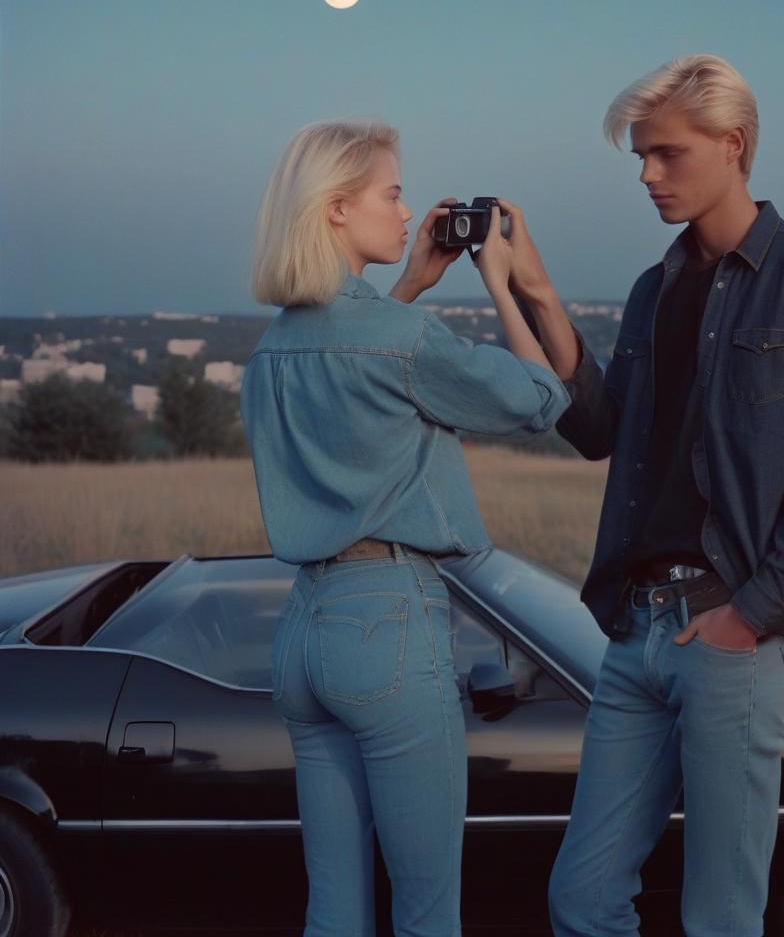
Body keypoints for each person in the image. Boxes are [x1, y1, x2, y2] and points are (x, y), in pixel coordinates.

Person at [498, 54, 784, 936]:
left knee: (719, 915)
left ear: (733, 144)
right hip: (635, 635)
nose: (647, 175)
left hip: (731, 637)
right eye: (639, 157)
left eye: (666, 153)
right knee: (582, 899)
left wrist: (749, 617)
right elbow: (599, 430)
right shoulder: (651, 289)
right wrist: (538, 294)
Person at [239, 119, 569, 937]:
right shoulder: (403, 340)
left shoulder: (269, 354)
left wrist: (412, 284)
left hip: (305, 631)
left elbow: (358, 382)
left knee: (335, 911)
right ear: (338, 209)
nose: (406, 208)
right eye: (391, 193)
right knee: (427, 913)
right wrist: (500, 279)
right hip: (388, 619)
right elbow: (540, 399)